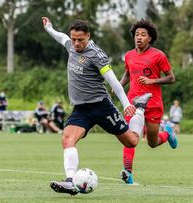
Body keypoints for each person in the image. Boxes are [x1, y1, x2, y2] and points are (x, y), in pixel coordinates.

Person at [43, 17, 151, 195]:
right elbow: (62, 38)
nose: (76, 43)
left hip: (101, 106)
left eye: (80, 40)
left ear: (88, 36)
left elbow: (113, 81)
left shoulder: (96, 54)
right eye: (74, 39)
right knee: (67, 139)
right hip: (81, 109)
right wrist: (49, 29)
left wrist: (127, 104)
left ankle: (140, 107)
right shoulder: (71, 44)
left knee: (131, 142)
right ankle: (70, 182)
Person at [119, 19, 177, 184]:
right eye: (137, 34)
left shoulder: (158, 56)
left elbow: (171, 78)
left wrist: (152, 81)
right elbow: (128, 74)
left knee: (152, 143)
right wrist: (118, 86)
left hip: (153, 104)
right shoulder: (129, 55)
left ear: (150, 38)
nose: (139, 37)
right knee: (130, 136)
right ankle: (127, 172)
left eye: (143, 35)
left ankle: (167, 133)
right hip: (133, 103)